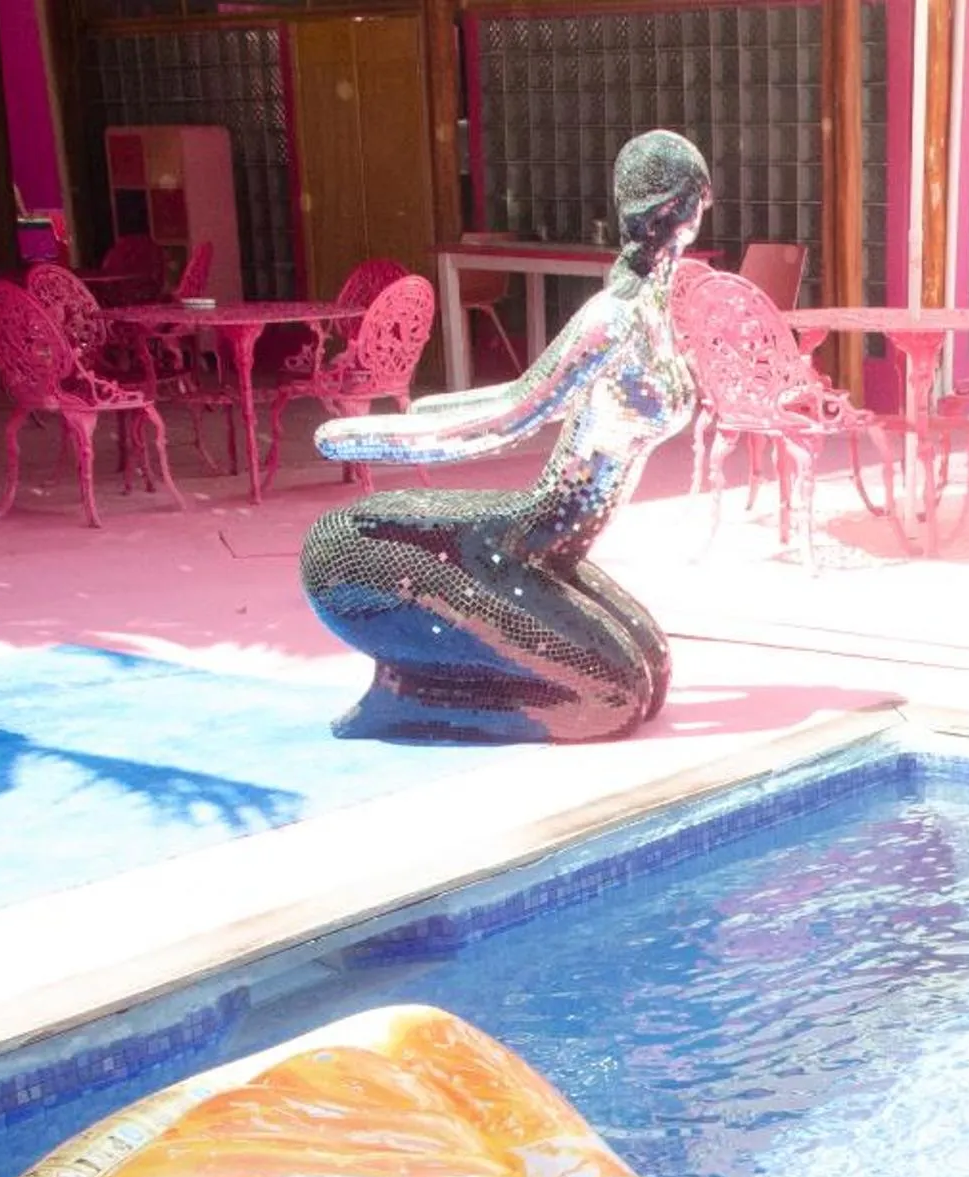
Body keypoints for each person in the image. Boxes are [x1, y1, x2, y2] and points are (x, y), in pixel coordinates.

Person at [300, 131, 710, 744]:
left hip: (547, 550)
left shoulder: (650, 310)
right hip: (479, 546)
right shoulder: (613, 318)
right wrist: (355, 437)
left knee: (651, 673)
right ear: (686, 207)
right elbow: (510, 416)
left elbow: (516, 393)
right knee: (614, 698)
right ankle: (409, 700)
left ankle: (441, 685)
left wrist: (430, 406)